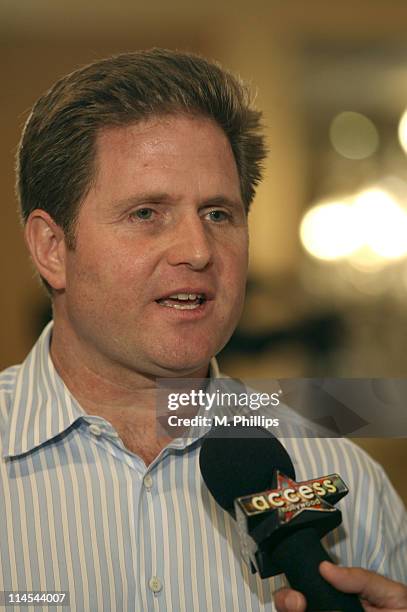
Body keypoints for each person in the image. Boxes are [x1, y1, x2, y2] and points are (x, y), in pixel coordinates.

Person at [1, 48, 405, 611]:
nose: (198, 251)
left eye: (219, 214)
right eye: (147, 213)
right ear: (51, 248)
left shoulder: (344, 478)